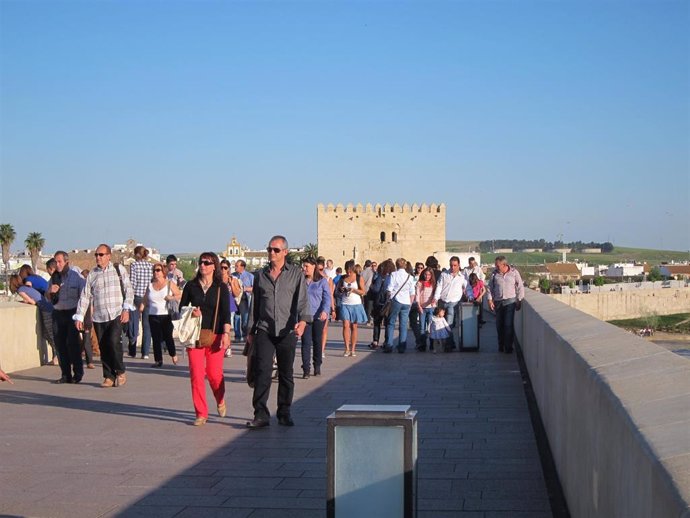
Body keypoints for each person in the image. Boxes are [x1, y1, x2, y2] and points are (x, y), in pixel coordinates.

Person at [245, 235, 311, 429]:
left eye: (275, 250)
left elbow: (302, 300)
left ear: (285, 252)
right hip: (265, 328)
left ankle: (284, 411)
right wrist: (250, 330)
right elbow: (255, 304)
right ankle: (261, 414)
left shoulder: (295, 274)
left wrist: (303, 322)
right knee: (262, 371)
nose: (271, 253)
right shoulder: (260, 275)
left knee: (286, 373)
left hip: (287, 329)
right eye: (269, 249)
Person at [179, 252, 231, 426]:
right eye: (201, 262)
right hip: (194, 336)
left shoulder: (220, 287)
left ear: (214, 266)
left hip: (215, 336)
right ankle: (201, 413)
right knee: (197, 374)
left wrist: (226, 334)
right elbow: (181, 309)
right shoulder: (190, 286)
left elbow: (226, 314)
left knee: (214, 375)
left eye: (207, 263)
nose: (203, 265)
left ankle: (220, 398)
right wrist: (191, 312)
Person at [74, 244, 135, 388]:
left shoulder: (118, 270)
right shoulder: (92, 274)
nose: (98, 258)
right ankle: (108, 376)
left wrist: (126, 309)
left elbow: (128, 290)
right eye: (96, 255)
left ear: (108, 256)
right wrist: (79, 316)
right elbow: (85, 296)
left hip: (116, 313)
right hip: (99, 316)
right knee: (103, 346)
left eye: (101, 255)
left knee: (113, 342)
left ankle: (120, 371)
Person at [46, 251, 86, 383]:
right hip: (58, 313)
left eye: (59, 262)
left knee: (73, 344)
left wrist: (83, 316)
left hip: (72, 312)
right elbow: (47, 296)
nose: (57, 265)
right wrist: (50, 292)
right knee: (60, 345)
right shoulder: (54, 278)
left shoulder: (76, 276)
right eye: (55, 262)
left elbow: (84, 296)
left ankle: (78, 373)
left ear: (66, 262)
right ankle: (65, 374)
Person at [9, 274, 57, 366]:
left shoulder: (20, 291)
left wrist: (24, 301)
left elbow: (33, 302)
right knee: (46, 334)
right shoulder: (26, 287)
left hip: (45, 309)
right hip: (48, 306)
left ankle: (57, 356)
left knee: (49, 334)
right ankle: (55, 356)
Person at [144, 262, 181, 368]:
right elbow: (145, 298)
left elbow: (179, 295)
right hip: (153, 315)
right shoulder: (150, 285)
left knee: (167, 336)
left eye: (158, 270)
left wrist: (171, 298)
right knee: (155, 338)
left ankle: (173, 354)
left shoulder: (169, 284)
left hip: (165, 315)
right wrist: (141, 307)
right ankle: (158, 360)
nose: (156, 272)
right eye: (154, 270)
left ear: (163, 272)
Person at [300, 256, 331, 378]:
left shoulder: (322, 281)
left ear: (314, 266)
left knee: (317, 342)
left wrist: (325, 311)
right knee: (305, 343)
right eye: (304, 266)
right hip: (304, 316)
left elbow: (327, 298)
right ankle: (306, 369)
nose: (304, 268)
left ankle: (317, 365)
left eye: (307, 266)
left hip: (318, 316)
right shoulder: (301, 281)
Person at [487, 256, 525, 354]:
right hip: (498, 302)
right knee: (499, 325)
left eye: (497, 265)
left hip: (510, 302)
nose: (495, 267)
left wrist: (519, 300)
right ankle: (501, 344)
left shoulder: (514, 272)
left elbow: (520, 286)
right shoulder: (494, 274)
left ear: (504, 264)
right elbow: (490, 288)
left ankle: (508, 347)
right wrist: (490, 300)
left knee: (508, 324)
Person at [383, 258, 416, 354]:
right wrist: (410, 303)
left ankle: (389, 345)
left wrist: (388, 299)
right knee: (403, 324)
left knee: (391, 322)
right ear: (405, 266)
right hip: (406, 302)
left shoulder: (394, 275)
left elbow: (389, 288)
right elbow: (412, 292)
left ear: (396, 265)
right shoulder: (410, 277)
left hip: (396, 300)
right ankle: (402, 346)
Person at [336, 259, 367, 357]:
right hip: (345, 304)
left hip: (356, 304)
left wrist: (353, 290)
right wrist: (342, 289)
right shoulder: (342, 278)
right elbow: (337, 290)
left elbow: (363, 292)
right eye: (347, 270)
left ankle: (353, 349)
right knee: (345, 325)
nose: (348, 272)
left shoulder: (359, 278)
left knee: (354, 326)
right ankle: (347, 348)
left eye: (350, 270)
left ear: (353, 269)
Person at [433, 256, 467, 344]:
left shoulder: (462, 277)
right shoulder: (444, 274)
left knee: (448, 324)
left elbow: (468, 288)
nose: (453, 267)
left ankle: (449, 344)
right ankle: (449, 343)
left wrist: (470, 297)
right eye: (451, 265)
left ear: (459, 265)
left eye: (455, 265)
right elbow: (439, 286)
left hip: (453, 303)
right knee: (440, 324)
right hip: (442, 302)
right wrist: (436, 298)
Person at [128, 246, 153, 359]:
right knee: (147, 325)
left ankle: (132, 350)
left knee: (134, 323)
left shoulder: (134, 265)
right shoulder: (151, 266)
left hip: (137, 296)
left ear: (136, 254)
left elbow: (132, 283)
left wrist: (128, 297)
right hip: (148, 297)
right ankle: (145, 352)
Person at [369, 259, 395, 349]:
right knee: (388, 323)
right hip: (389, 303)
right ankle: (387, 341)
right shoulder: (393, 277)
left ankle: (375, 341)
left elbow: (376, 289)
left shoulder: (381, 277)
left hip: (379, 302)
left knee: (377, 322)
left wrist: (371, 286)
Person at [221, 258, 241, 357]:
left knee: (227, 327)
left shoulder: (233, 279)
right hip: (218, 305)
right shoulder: (216, 279)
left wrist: (231, 283)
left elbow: (237, 293)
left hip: (229, 304)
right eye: (221, 268)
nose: (223, 270)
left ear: (228, 269)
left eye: (225, 268)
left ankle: (228, 347)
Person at [415, 267, 437, 351]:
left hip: (431, 307)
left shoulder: (433, 284)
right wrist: (419, 306)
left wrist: (434, 302)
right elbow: (417, 295)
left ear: (431, 275)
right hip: (422, 308)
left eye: (428, 275)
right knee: (422, 327)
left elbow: (435, 295)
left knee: (431, 327)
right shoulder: (420, 283)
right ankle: (423, 344)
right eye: (425, 274)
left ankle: (431, 344)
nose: (427, 276)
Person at [232, 259, 254, 343]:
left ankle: (245, 335)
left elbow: (254, 288)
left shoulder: (250, 276)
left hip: (244, 299)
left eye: (237, 266)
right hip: (234, 299)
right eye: (235, 266)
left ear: (243, 267)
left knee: (245, 318)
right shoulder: (233, 276)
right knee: (236, 317)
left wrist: (244, 289)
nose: (235, 267)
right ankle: (237, 336)